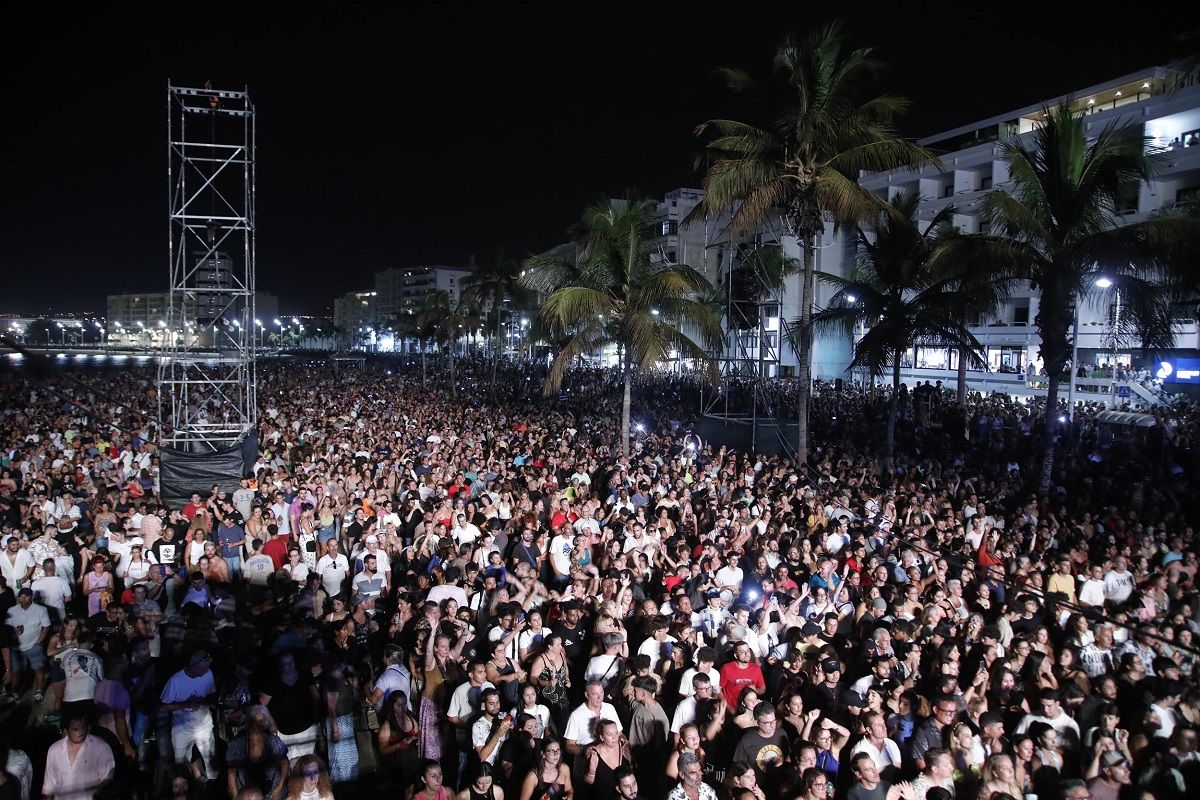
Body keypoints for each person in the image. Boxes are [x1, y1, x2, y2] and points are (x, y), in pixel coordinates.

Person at [160, 649, 219, 783]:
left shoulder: (208, 674)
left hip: (204, 727)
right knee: (181, 765)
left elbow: (212, 695)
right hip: (182, 730)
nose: (206, 672)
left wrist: (202, 702)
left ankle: (212, 788)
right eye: (203, 669)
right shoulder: (175, 680)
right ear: (194, 667)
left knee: (210, 762)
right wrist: (185, 705)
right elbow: (162, 706)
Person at [41, 713, 115, 800]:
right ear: (66, 730)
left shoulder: (101, 747)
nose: (81, 732)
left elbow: (107, 780)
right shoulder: (54, 750)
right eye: (75, 729)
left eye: (83, 727)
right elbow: (49, 786)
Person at [225, 705, 290, 800]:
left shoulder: (273, 741)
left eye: (262, 720)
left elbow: (285, 763)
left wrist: (279, 787)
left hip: (272, 790)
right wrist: (236, 796)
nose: (259, 724)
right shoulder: (237, 743)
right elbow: (231, 772)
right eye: (256, 721)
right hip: (246, 792)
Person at [6, 587, 51, 702]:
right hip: (17, 649)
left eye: (26, 596)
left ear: (32, 597)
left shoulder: (41, 610)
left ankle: (39, 691)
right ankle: (14, 692)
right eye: (21, 596)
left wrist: (39, 641)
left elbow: (46, 626)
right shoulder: (11, 611)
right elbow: (7, 629)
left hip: (34, 646)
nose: (23, 599)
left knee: (38, 670)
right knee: (17, 672)